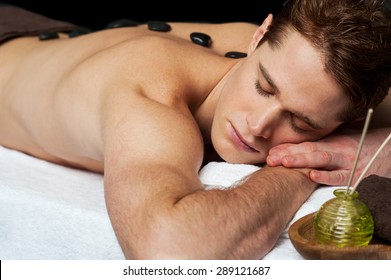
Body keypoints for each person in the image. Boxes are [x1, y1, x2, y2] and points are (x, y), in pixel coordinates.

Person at [0, 0, 390, 259]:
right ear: (259, 36)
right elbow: (169, 250)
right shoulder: (150, 97)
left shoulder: (316, 73)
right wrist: (307, 166)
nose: (258, 126)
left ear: (352, 120)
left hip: (60, 36)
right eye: (263, 86)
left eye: (300, 122)